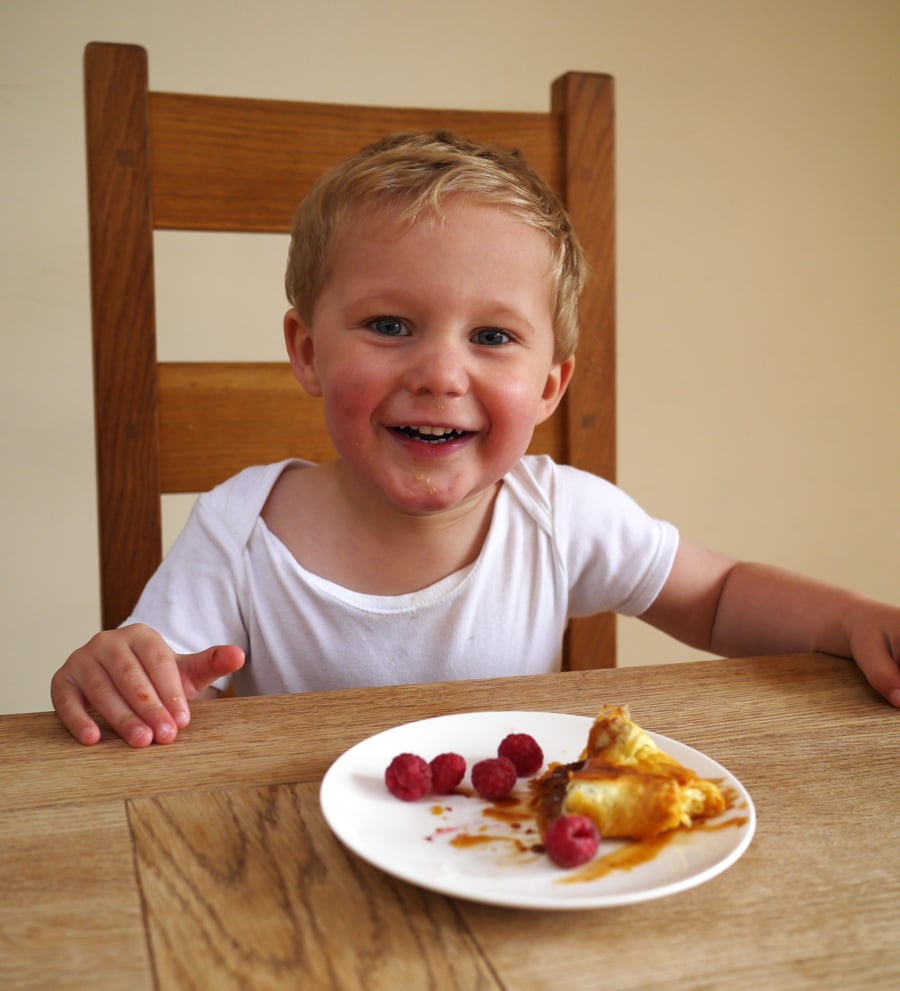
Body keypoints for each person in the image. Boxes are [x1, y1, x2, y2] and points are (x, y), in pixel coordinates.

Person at [51, 131, 900, 747]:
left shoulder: (559, 514)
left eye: (492, 337)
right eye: (390, 324)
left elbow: (716, 596)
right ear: (308, 352)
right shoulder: (238, 530)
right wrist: (113, 674)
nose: (441, 373)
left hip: (514, 864)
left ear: (548, 387)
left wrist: (854, 619)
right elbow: (151, 673)